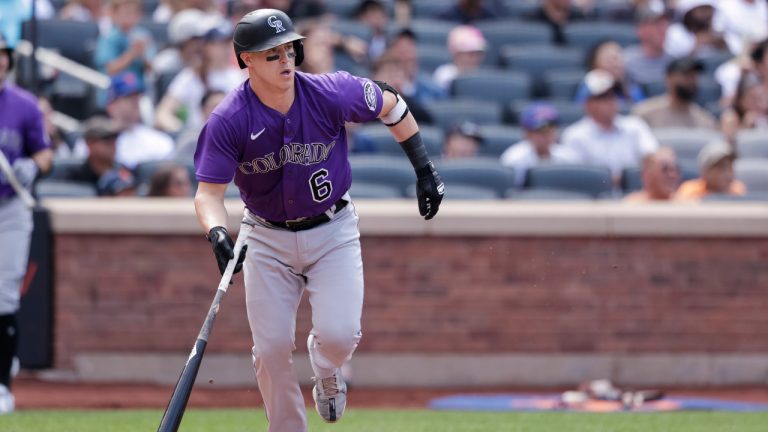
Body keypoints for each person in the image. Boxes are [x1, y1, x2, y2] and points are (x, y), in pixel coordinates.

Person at [192, 9, 444, 432]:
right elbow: (208, 194)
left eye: (289, 50)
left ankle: (326, 367)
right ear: (245, 61)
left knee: (340, 338)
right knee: (270, 349)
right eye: (271, 55)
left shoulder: (330, 92)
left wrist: (424, 170)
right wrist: (217, 229)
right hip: (266, 236)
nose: (285, 60)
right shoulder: (228, 119)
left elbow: (391, 103)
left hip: (333, 230)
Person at [0, 32, 53, 414]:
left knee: (4, 294)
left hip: (10, 207)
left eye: (2, 55)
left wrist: (32, 166)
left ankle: (2, 384)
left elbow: (45, 153)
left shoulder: (23, 105)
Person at [562, 69, 659, 185]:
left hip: (633, 195)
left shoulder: (635, 126)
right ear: (587, 103)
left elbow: (653, 158)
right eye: (604, 97)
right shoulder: (574, 135)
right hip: (593, 200)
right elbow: (578, 178)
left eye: (614, 95)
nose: (611, 100)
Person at [105, 72, 175, 170]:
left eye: (137, 96)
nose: (135, 101)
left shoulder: (160, 141)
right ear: (112, 105)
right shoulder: (96, 142)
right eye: (128, 97)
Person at [500, 102, 576, 187]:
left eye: (550, 130)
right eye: (539, 131)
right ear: (527, 134)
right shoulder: (514, 159)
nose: (546, 135)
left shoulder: (568, 157)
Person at [58, 116, 137, 196]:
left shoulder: (125, 172)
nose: (113, 145)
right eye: (107, 140)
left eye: (115, 139)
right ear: (89, 143)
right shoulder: (72, 177)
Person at [631, 57, 718, 129]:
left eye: (694, 76)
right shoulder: (645, 113)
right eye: (685, 75)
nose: (691, 81)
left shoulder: (705, 120)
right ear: (668, 78)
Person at [575, 39, 645, 105]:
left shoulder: (632, 88)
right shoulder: (588, 88)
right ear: (595, 64)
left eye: (618, 58)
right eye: (610, 59)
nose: (616, 64)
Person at [674, 140, 746, 200]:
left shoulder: (737, 190)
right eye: (720, 167)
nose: (728, 173)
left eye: (729, 167)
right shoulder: (690, 190)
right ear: (705, 171)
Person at [623, 5, 674, 86]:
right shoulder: (625, 62)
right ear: (640, 29)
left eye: (664, 24)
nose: (662, 29)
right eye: (656, 24)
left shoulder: (674, 63)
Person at [664, 0, 729, 58]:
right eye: (703, 9)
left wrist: (722, 45)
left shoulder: (718, 32)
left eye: (710, 9)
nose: (708, 14)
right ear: (689, 11)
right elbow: (675, 66)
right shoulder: (675, 33)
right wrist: (698, 44)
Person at [432, 25, 487, 91]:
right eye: (470, 54)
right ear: (456, 54)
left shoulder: (484, 77)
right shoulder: (444, 75)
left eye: (478, 53)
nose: (475, 58)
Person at [720, 71, 768, 143]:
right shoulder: (730, 118)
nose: (759, 103)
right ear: (741, 100)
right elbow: (728, 146)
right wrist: (745, 126)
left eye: (761, 97)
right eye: (753, 98)